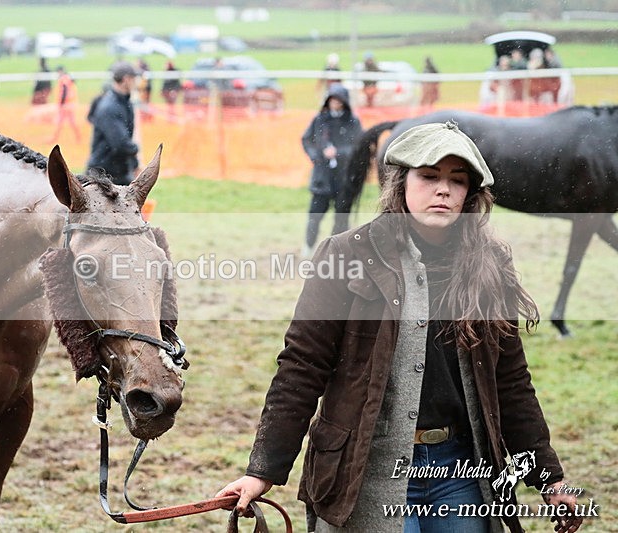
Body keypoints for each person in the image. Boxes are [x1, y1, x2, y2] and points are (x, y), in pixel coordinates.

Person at [217, 121, 584, 533]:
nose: (443, 189)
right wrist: (262, 470)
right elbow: (301, 367)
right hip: (366, 469)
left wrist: (550, 478)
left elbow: (510, 380)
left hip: (461, 471)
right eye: (429, 176)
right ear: (400, 182)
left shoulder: (489, 264)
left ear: (470, 194)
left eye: (457, 180)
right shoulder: (345, 254)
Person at [300, 84, 363, 258]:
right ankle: (308, 248)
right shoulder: (319, 119)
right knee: (315, 216)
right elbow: (306, 140)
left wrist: (340, 153)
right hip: (322, 178)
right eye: (332, 99)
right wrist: (317, 156)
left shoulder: (353, 121)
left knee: (342, 219)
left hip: (343, 179)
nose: (335, 103)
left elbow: (359, 146)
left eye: (338, 100)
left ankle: (337, 253)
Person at [86, 61, 139, 186]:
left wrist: (133, 163)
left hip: (118, 170)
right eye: (134, 78)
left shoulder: (125, 103)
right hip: (103, 175)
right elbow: (120, 143)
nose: (136, 81)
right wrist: (135, 151)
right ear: (126, 79)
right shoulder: (109, 107)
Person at [47, 65, 82, 144]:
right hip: (69, 104)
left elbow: (64, 91)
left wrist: (61, 103)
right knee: (71, 122)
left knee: (60, 122)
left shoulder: (63, 79)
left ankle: (54, 138)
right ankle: (78, 137)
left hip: (65, 104)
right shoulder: (68, 77)